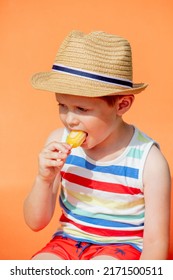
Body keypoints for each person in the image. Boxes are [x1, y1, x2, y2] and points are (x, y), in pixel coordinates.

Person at [24, 30, 171, 260]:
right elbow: (35, 222)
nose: (69, 119)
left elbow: (156, 242)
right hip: (67, 241)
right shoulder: (57, 142)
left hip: (121, 248)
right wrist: (43, 179)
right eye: (62, 105)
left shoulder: (148, 161)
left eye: (82, 109)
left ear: (122, 105)